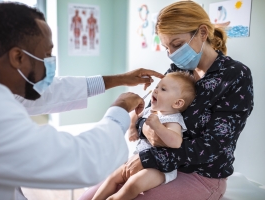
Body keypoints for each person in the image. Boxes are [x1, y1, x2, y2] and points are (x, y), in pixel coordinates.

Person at [0, 3, 164, 200]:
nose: (50, 63)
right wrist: (119, 110)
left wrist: (121, 79)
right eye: (46, 55)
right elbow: (82, 161)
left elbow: (54, 90)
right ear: (18, 57)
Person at [79, 1, 254, 200]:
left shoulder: (235, 76)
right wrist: (145, 127)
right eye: (166, 47)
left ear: (203, 33)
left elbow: (216, 146)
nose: (171, 54)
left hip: (200, 174)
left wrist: (151, 156)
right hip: (154, 163)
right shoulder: (177, 71)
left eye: (177, 45)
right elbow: (147, 112)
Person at [92, 72, 196, 200]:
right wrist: (132, 129)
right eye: (157, 86)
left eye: (163, 89)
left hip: (159, 168)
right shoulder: (150, 111)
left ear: (178, 103)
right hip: (138, 156)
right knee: (112, 177)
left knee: (133, 184)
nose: (156, 90)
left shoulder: (173, 120)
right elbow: (135, 115)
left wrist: (158, 126)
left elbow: (176, 142)